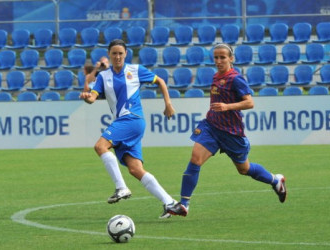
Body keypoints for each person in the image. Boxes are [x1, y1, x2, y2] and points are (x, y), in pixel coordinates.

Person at [167, 43, 287, 217]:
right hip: (211, 127)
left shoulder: (236, 78)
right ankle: (184, 204)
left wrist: (227, 106)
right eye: (216, 57)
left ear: (231, 59)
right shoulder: (216, 76)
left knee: (244, 169)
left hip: (231, 133)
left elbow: (249, 102)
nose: (218, 60)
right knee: (195, 159)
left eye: (222, 57)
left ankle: (276, 180)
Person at [79, 39, 177, 218]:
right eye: (114, 53)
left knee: (100, 146)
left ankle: (121, 187)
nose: (117, 57)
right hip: (126, 122)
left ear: (126, 54)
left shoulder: (136, 70)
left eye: (120, 53)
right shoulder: (103, 76)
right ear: (109, 54)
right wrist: (87, 97)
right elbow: (93, 98)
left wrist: (168, 104)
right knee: (135, 169)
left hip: (132, 119)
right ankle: (170, 203)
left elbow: (160, 81)